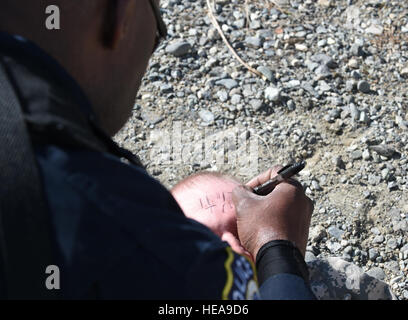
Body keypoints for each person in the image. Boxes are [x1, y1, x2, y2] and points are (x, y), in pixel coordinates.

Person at [0, 0, 315, 299]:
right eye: (157, 37)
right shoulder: (124, 231)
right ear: (121, 11)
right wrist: (277, 247)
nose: (231, 250)